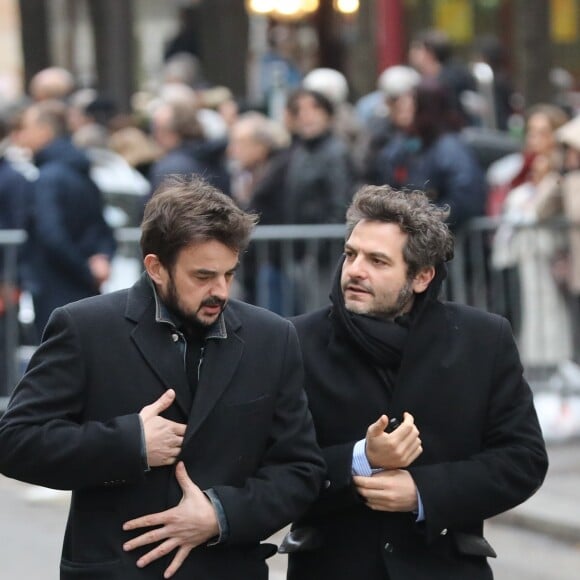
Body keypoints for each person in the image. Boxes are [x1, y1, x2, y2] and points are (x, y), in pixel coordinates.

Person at [0, 175, 324, 580]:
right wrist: (130, 442)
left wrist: (220, 515)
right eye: (202, 276)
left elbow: (300, 469)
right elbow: (15, 442)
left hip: (226, 568)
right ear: (156, 267)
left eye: (229, 274)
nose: (220, 291)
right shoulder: (85, 328)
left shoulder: (272, 337)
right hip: (118, 570)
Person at [283, 185, 548, 580]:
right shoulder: (295, 341)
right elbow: (275, 468)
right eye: (351, 254)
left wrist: (425, 492)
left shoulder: (482, 339)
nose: (355, 270)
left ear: (422, 276)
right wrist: (361, 460)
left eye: (377, 261)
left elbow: (522, 460)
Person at [13, 99, 116, 340]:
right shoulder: (79, 170)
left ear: (44, 131)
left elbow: (51, 233)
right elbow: (101, 227)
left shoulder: (48, 178)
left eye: (27, 128)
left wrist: (85, 269)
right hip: (83, 285)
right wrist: (99, 261)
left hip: (56, 287)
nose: (22, 136)